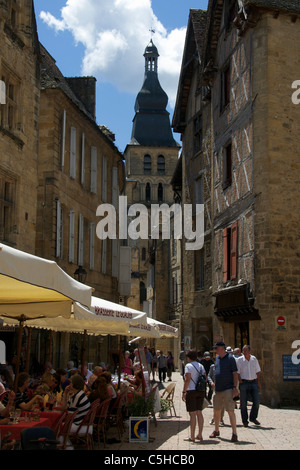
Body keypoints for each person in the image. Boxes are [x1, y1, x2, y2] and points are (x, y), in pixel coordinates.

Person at [209, 342, 239, 442]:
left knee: (230, 410)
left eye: (216, 348)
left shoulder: (230, 358)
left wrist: (235, 387)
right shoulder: (217, 358)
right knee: (216, 410)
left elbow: (235, 374)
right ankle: (216, 430)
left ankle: (234, 433)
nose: (215, 350)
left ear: (222, 348)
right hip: (218, 389)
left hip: (228, 388)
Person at [182, 349, 206, 442]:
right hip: (200, 391)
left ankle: (192, 436)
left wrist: (184, 392)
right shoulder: (201, 366)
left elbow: (187, 379)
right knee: (199, 412)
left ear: (188, 357)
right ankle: (199, 434)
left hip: (191, 391)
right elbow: (205, 377)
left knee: (192, 414)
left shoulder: (188, 366)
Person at [236, 345, 261, 427]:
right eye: (243, 351)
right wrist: (240, 381)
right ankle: (245, 420)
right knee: (243, 403)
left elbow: (257, 371)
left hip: (253, 382)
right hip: (244, 383)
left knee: (256, 402)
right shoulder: (239, 360)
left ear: (249, 351)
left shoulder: (254, 359)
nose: (244, 352)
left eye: (246, 350)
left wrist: (258, 382)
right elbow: (237, 373)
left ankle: (253, 418)